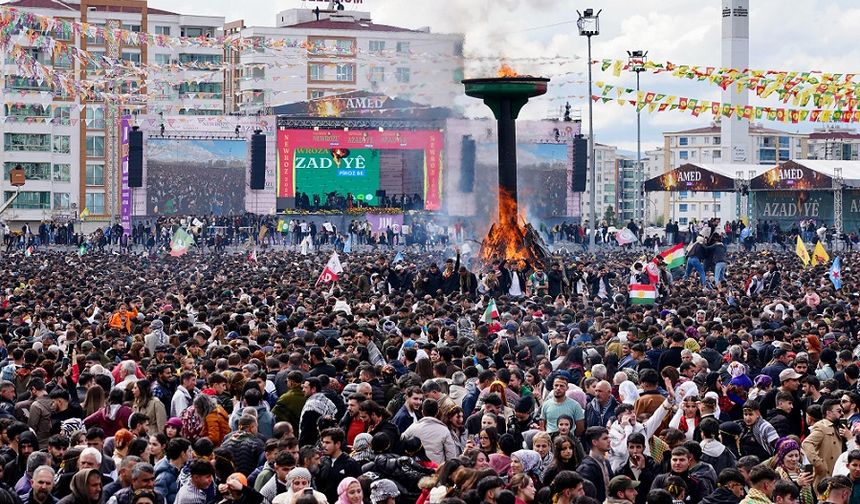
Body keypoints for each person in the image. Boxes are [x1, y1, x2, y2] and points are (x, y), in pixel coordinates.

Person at [803, 398, 848, 487]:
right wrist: (818, 463)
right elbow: (807, 443)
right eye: (839, 411)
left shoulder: (837, 427)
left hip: (836, 474)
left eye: (842, 411)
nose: (842, 413)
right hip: (825, 478)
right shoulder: (822, 426)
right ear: (828, 413)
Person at [317, 428, 361, 504]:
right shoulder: (321, 461)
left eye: (327, 443)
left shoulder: (350, 464)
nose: (323, 446)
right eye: (323, 442)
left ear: (337, 444)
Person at [576, 427, 613, 503]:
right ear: (594, 442)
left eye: (608, 438)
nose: (609, 441)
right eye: (605, 438)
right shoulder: (586, 468)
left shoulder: (606, 462)